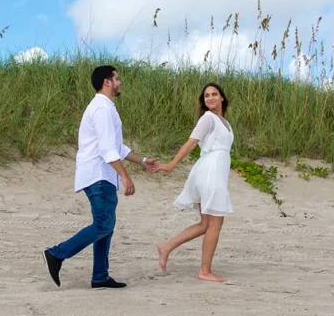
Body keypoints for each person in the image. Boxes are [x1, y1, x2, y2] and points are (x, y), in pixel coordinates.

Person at [43, 65, 158, 289]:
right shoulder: (102, 108)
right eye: (117, 78)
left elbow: (117, 146)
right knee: (104, 224)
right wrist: (125, 176)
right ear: (107, 81)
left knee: (106, 224)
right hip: (98, 174)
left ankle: (100, 276)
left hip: (100, 174)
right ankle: (57, 254)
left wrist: (143, 161)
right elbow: (107, 149)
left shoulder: (105, 107)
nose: (120, 81)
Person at [155, 83, 234, 283]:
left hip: (212, 171)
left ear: (222, 98)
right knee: (216, 222)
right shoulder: (208, 118)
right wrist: (172, 164)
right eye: (206, 96)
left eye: (214, 94)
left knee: (206, 224)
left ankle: (166, 247)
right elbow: (192, 142)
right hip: (210, 173)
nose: (210, 98)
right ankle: (205, 271)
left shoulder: (223, 122)